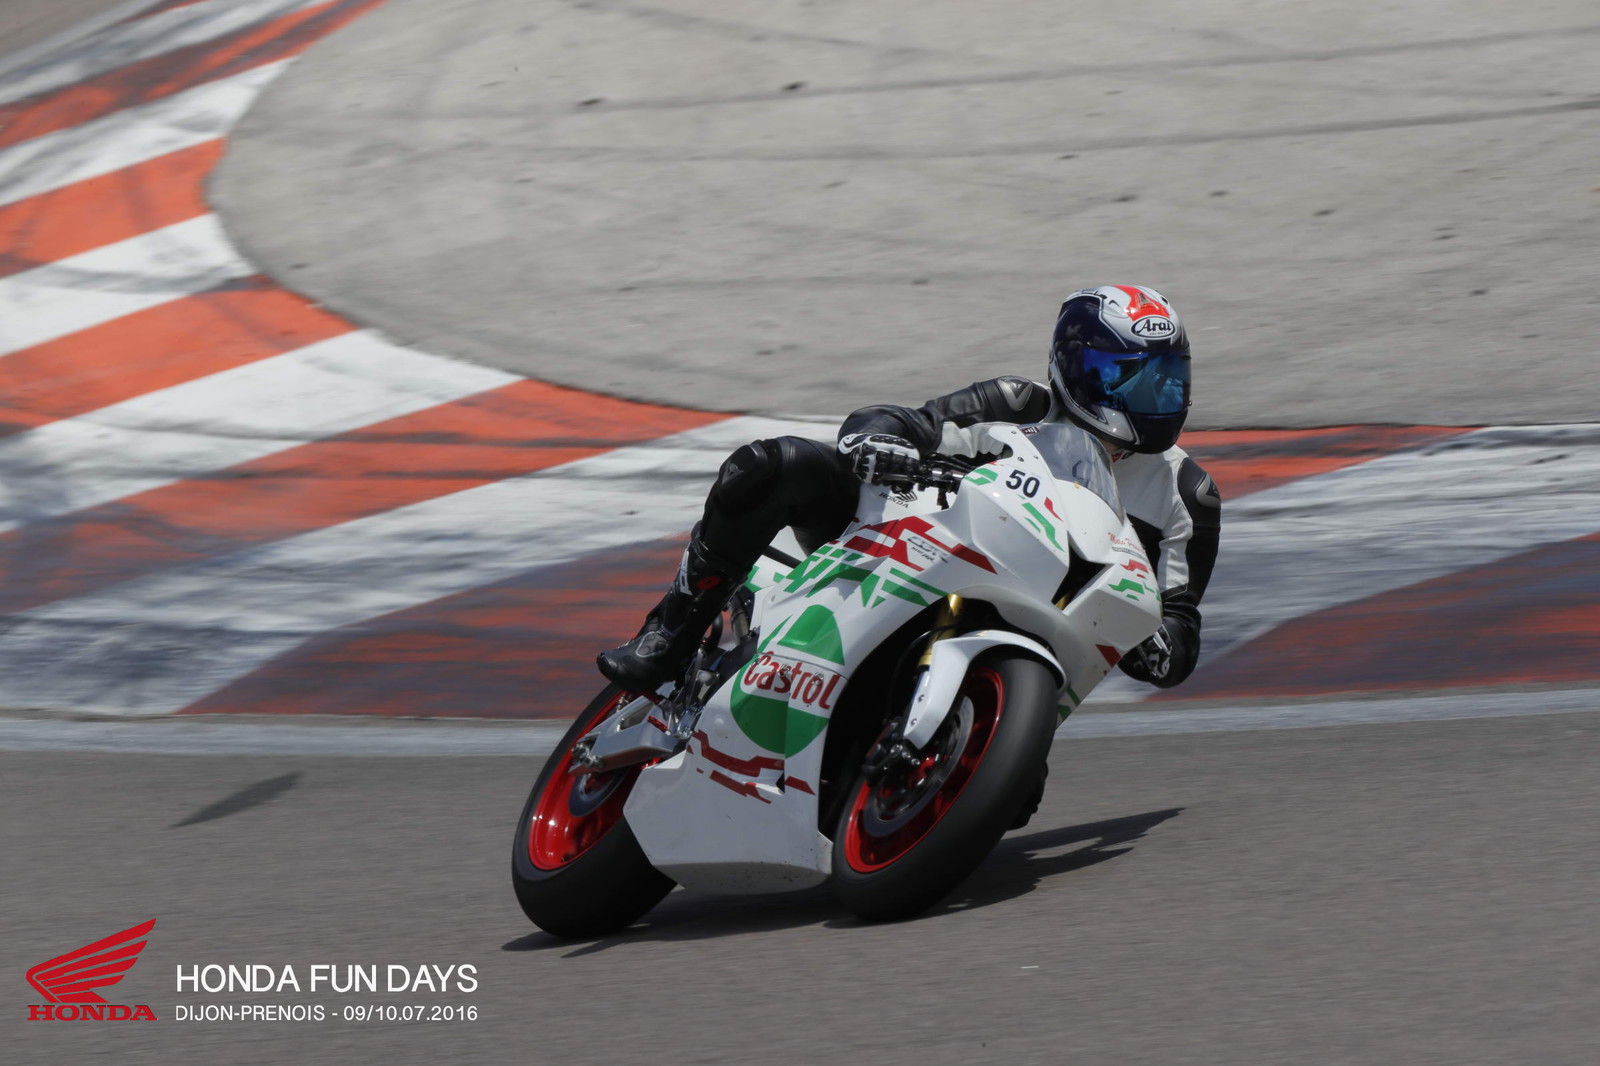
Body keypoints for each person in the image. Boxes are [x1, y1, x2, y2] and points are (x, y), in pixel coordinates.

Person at [598, 284, 1221, 695]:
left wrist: (1153, 638)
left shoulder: (1186, 493)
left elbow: (1182, 628)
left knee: (1012, 798)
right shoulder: (1012, 404)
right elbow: (908, 422)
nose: (1156, 398)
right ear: (1078, 369)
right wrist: (876, 440)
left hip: (1035, 639)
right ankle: (669, 634)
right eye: (1132, 379)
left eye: (1167, 380)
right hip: (910, 551)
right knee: (774, 464)